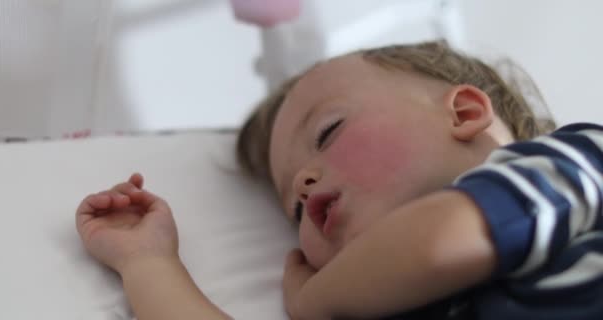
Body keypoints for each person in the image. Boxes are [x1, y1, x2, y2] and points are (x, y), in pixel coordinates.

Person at [76, 41, 603, 319]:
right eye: (295, 213)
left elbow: (445, 239)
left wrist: (317, 300)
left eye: (327, 132)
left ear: (464, 112)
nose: (304, 184)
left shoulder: (571, 161)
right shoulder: (383, 306)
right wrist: (147, 263)